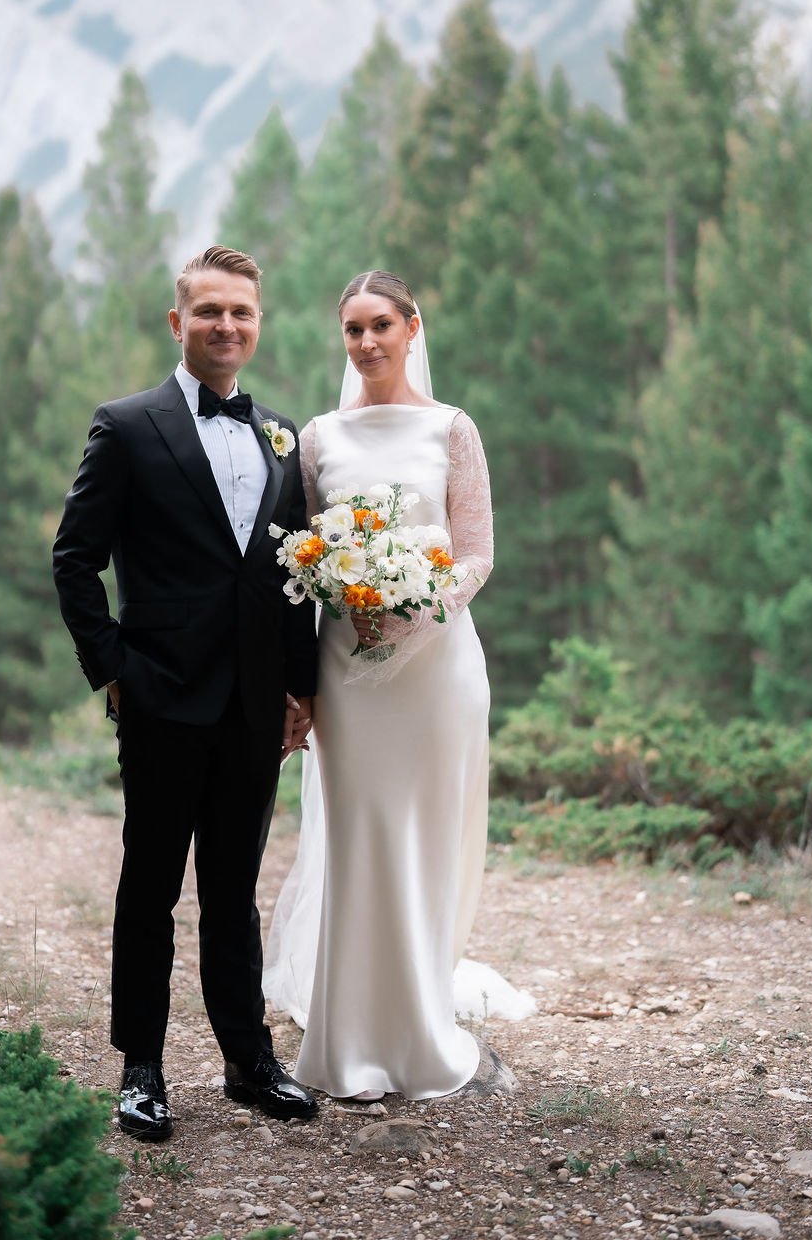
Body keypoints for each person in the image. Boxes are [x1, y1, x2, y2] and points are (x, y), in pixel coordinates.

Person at [53, 245, 319, 1141]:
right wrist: (115, 669)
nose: (226, 326)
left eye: (241, 312)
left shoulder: (281, 436)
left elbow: (293, 578)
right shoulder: (127, 426)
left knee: (235, 890)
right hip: (161, 696)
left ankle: (248, 1060)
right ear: (179, 322)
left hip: (253, 705)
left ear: (257, 322)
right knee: (150, 888)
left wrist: (302, 687)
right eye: (209, 311)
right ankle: (142, 1068)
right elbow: (74, 559)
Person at [264, 269, 535, 1102]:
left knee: (425, 837)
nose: (368, 341)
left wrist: (419, 602)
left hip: (437, 669)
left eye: (382, 324)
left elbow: (479, 550)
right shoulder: (317, 440)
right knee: (357, 837)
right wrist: (334, 620)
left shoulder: (452, 431)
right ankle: (349, 1034)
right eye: (353, 329)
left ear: (414, 327)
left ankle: (418, 1018)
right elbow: (304, 556)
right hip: (348, 675)